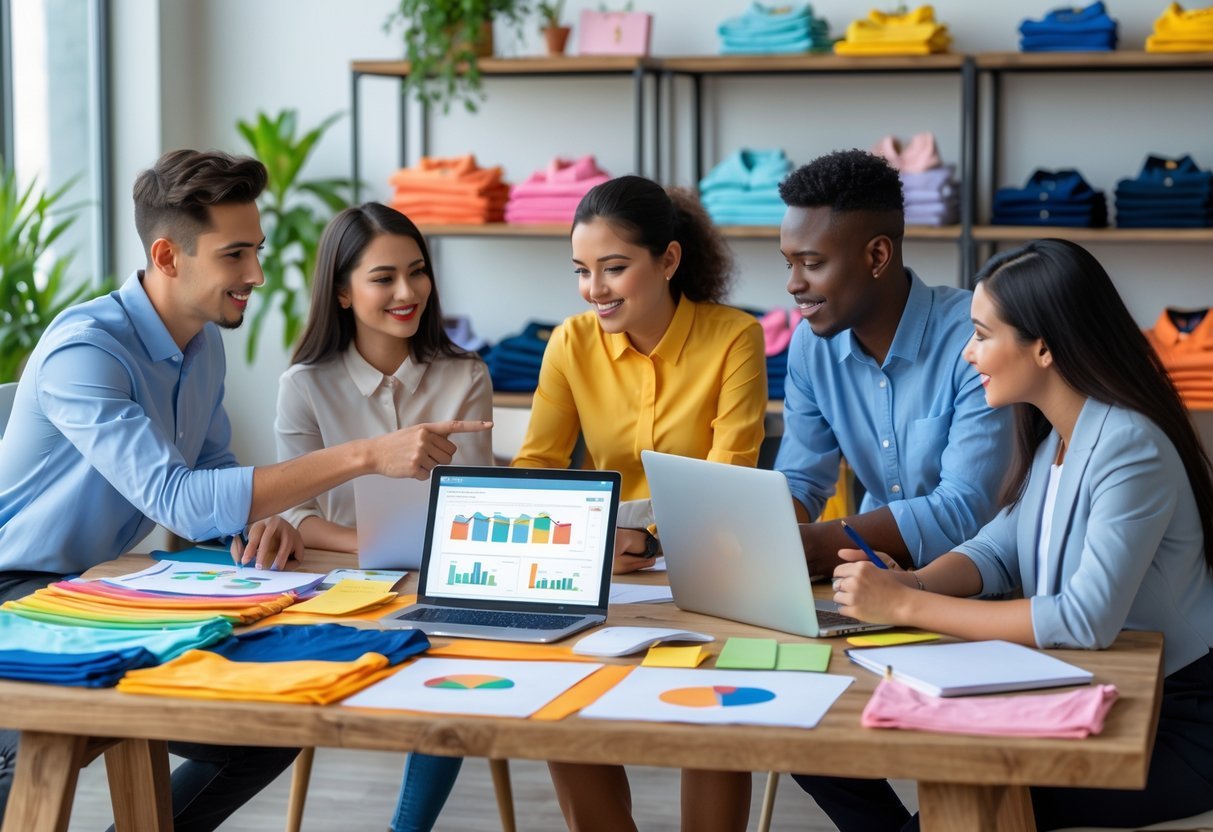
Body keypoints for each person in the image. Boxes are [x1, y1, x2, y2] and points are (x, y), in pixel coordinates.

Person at [0, 149, 489, 830]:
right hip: (19, 592)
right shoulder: (86, 352)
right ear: (169, 257)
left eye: (255, 251)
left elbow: (212, 479)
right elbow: (175, 498)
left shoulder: (201, 345)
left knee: (266, 725)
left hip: (105, 586)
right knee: (26, 758)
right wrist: (364, 457)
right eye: (235, 256)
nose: (256, 275)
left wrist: (255, 529)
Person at [802, 239, 1213, 831]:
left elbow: (1082, 620)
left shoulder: (1129, 447)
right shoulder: (1059, 439)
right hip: (1091, 690)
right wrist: (911, 580)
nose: (969, 354)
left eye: (982, 334)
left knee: (967, 810)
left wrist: (910, 605)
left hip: (1173, 724)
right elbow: (997, 549)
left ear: (1043, 346)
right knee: (820, 751)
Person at [515, 175, 768, 831]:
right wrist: (594, 546)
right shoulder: (570, 343)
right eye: (581, 270)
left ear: (668, 261)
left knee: (713, 711)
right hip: (603, 568)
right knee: (558, 699)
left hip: (705, 565)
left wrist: (644, 541)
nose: (593, 289)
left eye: (614, 268)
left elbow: (727, 483)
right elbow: (536, 469)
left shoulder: (734, 338)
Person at [275, 202, 492, 832]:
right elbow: (298, 514)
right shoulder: (304, 385)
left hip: (442, 584)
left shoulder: (465, 374)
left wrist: (427, 561)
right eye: (383, 278)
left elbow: (473, 506)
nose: (407, 292)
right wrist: (375, 549)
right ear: (341, 292)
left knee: (455, 656)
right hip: (338, 584)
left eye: (417, 272)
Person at [775, 149, 1012, 575]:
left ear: (877, 256)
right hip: (871, 575)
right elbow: (801, 480)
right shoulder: (811, 347)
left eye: (811, 263)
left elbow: (965, 509)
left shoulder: (977, 340)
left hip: (985, 587)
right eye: (789, 263)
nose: (793, 284)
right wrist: (767, 534)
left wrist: (812, 544)